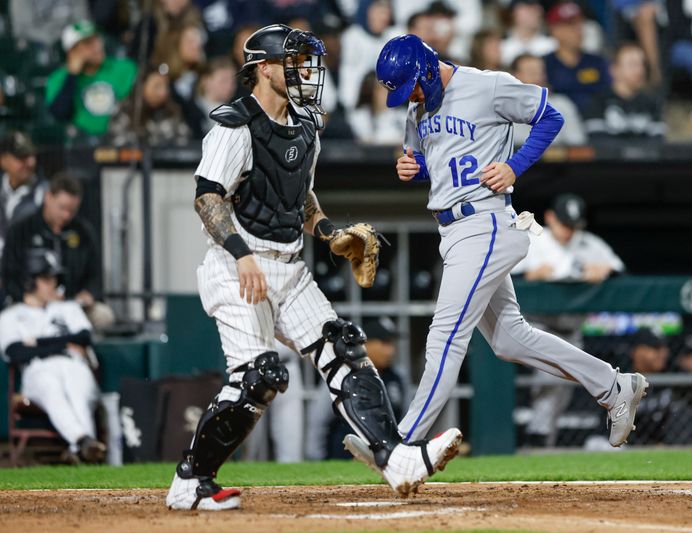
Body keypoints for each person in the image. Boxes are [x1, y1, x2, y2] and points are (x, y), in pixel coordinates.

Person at [164, 24, 461, 511]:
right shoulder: (234, 124)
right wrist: (241, 256)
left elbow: (298, 197)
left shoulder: (305, 123)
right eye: (294, 62)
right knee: (258, 378)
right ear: (263, 69)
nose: (305, 71)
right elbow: (208, 198)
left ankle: (395, 458)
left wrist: (328, 233)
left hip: (289, 265)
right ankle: (191, 481)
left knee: (345, 348)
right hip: (237, 265)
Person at [344, 33, 648, 473]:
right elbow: (441, 160)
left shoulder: (486, 85)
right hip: (454, 229)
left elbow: (550, 116)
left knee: (444, 336)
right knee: (509, 338)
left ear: (427, 69)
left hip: (485, 222)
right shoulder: (418, 106)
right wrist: (413, 168)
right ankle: (614, 386)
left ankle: (400, 444)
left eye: (410, 84)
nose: (407, 95)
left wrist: (514, 166)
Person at [0, 248, 105, 464]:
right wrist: (64, 344)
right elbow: (15, 352)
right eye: (46, 278)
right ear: (29, 282)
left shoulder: (67, 308)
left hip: (74, 364)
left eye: (54, 278)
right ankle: (85, 443)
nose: (53, 284)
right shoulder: (11, 316)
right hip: (39, 370)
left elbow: (85, 337)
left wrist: (38, 342)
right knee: (52, 388)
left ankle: (81, 445)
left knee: (79, 393)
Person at [1, 173, 114, 329]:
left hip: (72, 304)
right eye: (62, 208)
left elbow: (95, 274)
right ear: (48, 197)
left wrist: (89, 294)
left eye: (72, 210)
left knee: (103, 316)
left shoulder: (83, 232)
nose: (66, 215)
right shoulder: (22, 229)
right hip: (29, 305)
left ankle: (82, 350)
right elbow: (8, 274)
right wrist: (26, 297)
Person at [306, 317, 407, 460]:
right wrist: (316, 458)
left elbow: (403, 422)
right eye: (385, 343)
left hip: (385, 460)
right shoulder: (341, 373)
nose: (390, 351)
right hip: (343, 459)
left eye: (392, 344)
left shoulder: (396, 378)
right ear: (366, 344)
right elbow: (320, 422)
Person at [46, 21, 137, 137]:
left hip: (122, 137)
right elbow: (60, 113)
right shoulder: (58, 79)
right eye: (88, 43)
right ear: (72, 52)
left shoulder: (125, 68)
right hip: (82, 143)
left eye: (97, 39)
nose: (97, 46)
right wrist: (72, 75)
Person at [512, 194, 625, 282]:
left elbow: (621, 271)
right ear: (549, 217)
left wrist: (607, 271)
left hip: (579, 310)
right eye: (564, 224)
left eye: (573, 225)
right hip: (536, 310)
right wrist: (528, 276)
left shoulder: (590, 242)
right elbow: (503, 278)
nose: (568, 230)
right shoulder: (530, 240)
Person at [584, 43, 666, 140]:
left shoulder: (651, 103)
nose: (640, 70)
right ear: (614, 70)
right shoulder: (598, 102)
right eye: (632, 64)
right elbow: (597, 143)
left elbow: (659, 144)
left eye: (642, 64)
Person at [543, 2, 610, 114]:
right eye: (570, 25)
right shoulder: (546, 65)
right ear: (555, 30)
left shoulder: (597, 62)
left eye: (580, 23)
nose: (578, 29)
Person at [511, 53, 585, 146]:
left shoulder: (562, 104)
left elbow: (577, 145)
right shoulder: (502, 109)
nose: (538, 77)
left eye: (541, 72)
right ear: (515, 76)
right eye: (531, 72)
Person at [108, 65, 192, 147]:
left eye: (166, 87)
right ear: (142, 86)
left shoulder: (172, 112)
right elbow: (118, 144)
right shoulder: (124, 111)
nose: (163, 93)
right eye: (157, 86)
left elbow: (183, 141)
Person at [0, 132, 46, 262]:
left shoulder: (45, 195)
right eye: (22, 157)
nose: (30, 162)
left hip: (26, 274)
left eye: (32, 156)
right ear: (3, 160)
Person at [501, 0, 557, 66]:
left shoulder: (552, 45)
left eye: (538, 7)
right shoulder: (500, 45)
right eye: (529, 7)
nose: (537, 10)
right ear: (514, 12)